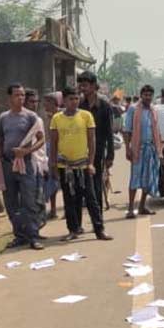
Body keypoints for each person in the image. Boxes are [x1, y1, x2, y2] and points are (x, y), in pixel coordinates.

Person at [51, 87, 112, 242]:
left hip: (83, 165)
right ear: (64, 100)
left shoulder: (86, 116)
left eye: (77, 98)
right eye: (71, 99)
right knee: (70, 199)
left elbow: (92, 142)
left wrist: (91, 163)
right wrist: (53, 165)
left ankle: (99, 229)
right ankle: (73, 229)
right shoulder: (57, 118)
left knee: (91, 199)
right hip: (65, 166)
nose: (74, 101)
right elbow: (53, 142)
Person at [0, 84, 46, 250]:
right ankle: (19, 236)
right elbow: (0, 139)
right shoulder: (4, 117)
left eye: (22, 95)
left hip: (26, 164)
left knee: (29, 201)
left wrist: (26, 151)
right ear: (10, 98)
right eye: (17, 95)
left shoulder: (31, 117)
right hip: (8, 164)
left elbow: (41, 139)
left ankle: (33, 236)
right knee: (11, 202)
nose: (21, 98)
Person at [123, 85, 163, 218]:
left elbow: (156, 130)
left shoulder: (153, 110)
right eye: (145, 95)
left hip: (151, 148)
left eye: (150, 95)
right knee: (135, 178)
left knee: (148, 178)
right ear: (141, 96)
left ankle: (142, 206)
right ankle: (130, 208)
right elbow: (127, 130)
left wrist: (159, 149)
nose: (148, 97)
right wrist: (127, 148)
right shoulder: (133, 109)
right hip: (137, 149)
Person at [78, 71, 115, 210]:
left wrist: (110, 155)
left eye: (85, 85)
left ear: (94, 86)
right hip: (80, 150)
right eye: (80, 85)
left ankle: (97, 215)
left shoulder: (105, 106)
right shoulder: (79, 105)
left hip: (98, 151)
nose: (82, 88)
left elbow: (109, 133)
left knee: (96, 183)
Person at [23, 89, 49, 235]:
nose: (34, 104)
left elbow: (42, 145)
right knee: (27, 201)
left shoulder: (38, 120)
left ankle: (35, 230)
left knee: (38, 199)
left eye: (36, 102)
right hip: (23, 164)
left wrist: (44, 164)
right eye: (31, 101)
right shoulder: (16, 119)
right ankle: (28, 232)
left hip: (38, 164)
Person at [43, 91, 62, 220]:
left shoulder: (60, 116)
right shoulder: (48, 117)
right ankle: (53, 209)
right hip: (50, 150)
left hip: (61, 150)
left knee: (64, 181)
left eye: (47, 102)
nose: (45, 105)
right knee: (52, 181)